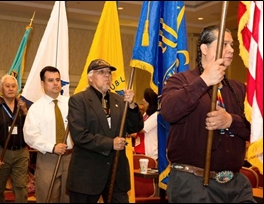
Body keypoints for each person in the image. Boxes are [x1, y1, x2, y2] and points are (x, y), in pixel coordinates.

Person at [160, 25, 256, 203]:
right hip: (193, 184)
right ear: (204, 48)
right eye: (224, 44)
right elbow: (168, 112)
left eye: (232, 45)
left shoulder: (238, 89)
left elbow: (255, 128)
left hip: (236, 185)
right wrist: (204, 81)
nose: (231, 50)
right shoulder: (180, 81)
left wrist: (230, 121)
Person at [66, 59, 144, 203]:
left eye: (109, 73)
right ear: (90, 77)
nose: (107, 76)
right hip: (87, 174)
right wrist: (110, 143)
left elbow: (135, 127)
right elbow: (79, 135)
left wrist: (132, 106)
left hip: (116, 173)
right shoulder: (79, 100)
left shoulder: (119, 101)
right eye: (101, 72)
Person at [23, 66, 73, 203]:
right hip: (48, 158)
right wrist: (52, 147)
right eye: (51, 80)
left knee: (69, 198)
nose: (55, 83)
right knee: (47, 197)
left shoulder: (71, 103)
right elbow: (30, 135)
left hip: (71, 158)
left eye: (57, 80)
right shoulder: (36, 108)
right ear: (42, 84)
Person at [0, 74, 29, 203]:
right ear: (1, 89)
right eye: (7, 86)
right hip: (0, 153)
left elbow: (32, 127)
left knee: (21, 187)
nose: (11, 88)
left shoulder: (22, 107)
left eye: (13, 86)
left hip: (21, 153)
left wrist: (25, 111)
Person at [133, 88, 158, 160]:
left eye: (145, 98)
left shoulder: (156, 116)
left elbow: (141, 129)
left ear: (150, 100)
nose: (143, 100)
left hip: (151, 154)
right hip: (140, 150)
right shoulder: (146, 114)